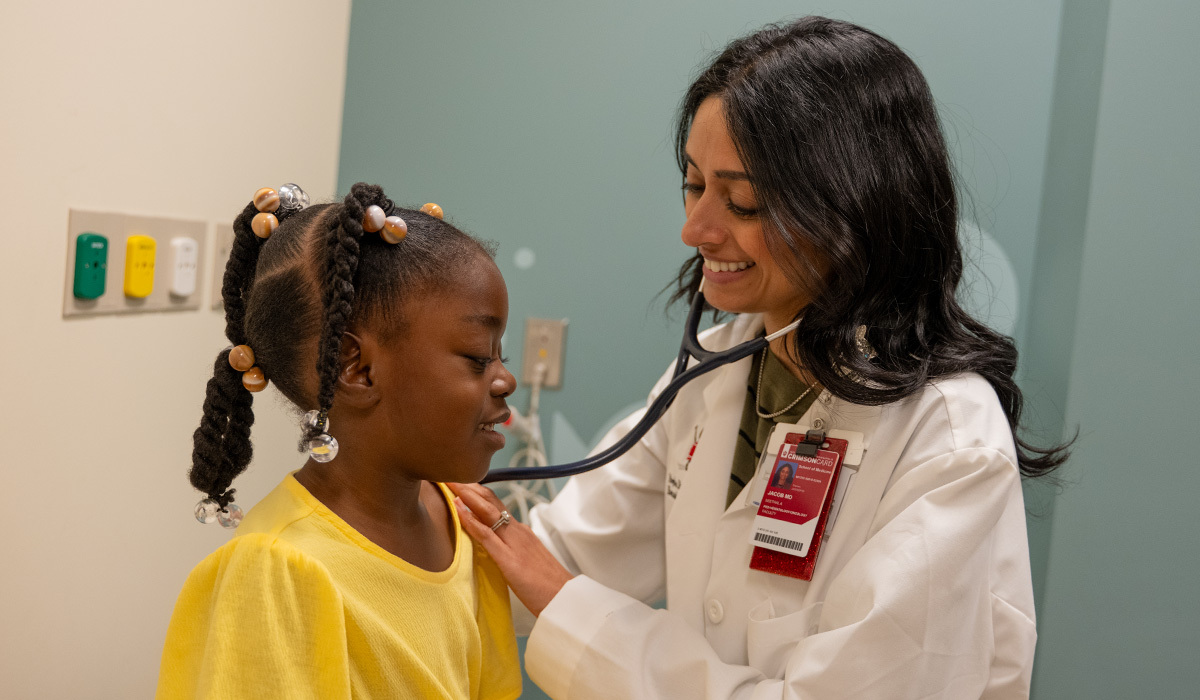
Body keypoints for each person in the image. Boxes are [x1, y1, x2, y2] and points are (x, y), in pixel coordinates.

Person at [450, 16, 1069, 699]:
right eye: (694, 185)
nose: (695, 229)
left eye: (742, 201)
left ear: (856, 207)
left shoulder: (949, 440)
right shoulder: (718, 372)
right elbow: (562, 550)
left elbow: (554, 579)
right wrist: (401, 508)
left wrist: (561, 596)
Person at [156, 182, 522, 699]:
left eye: (501, 354)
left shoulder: (462, 524)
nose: (506, 380)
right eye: (478, 357)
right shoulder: (276, 573)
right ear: (358, 368)